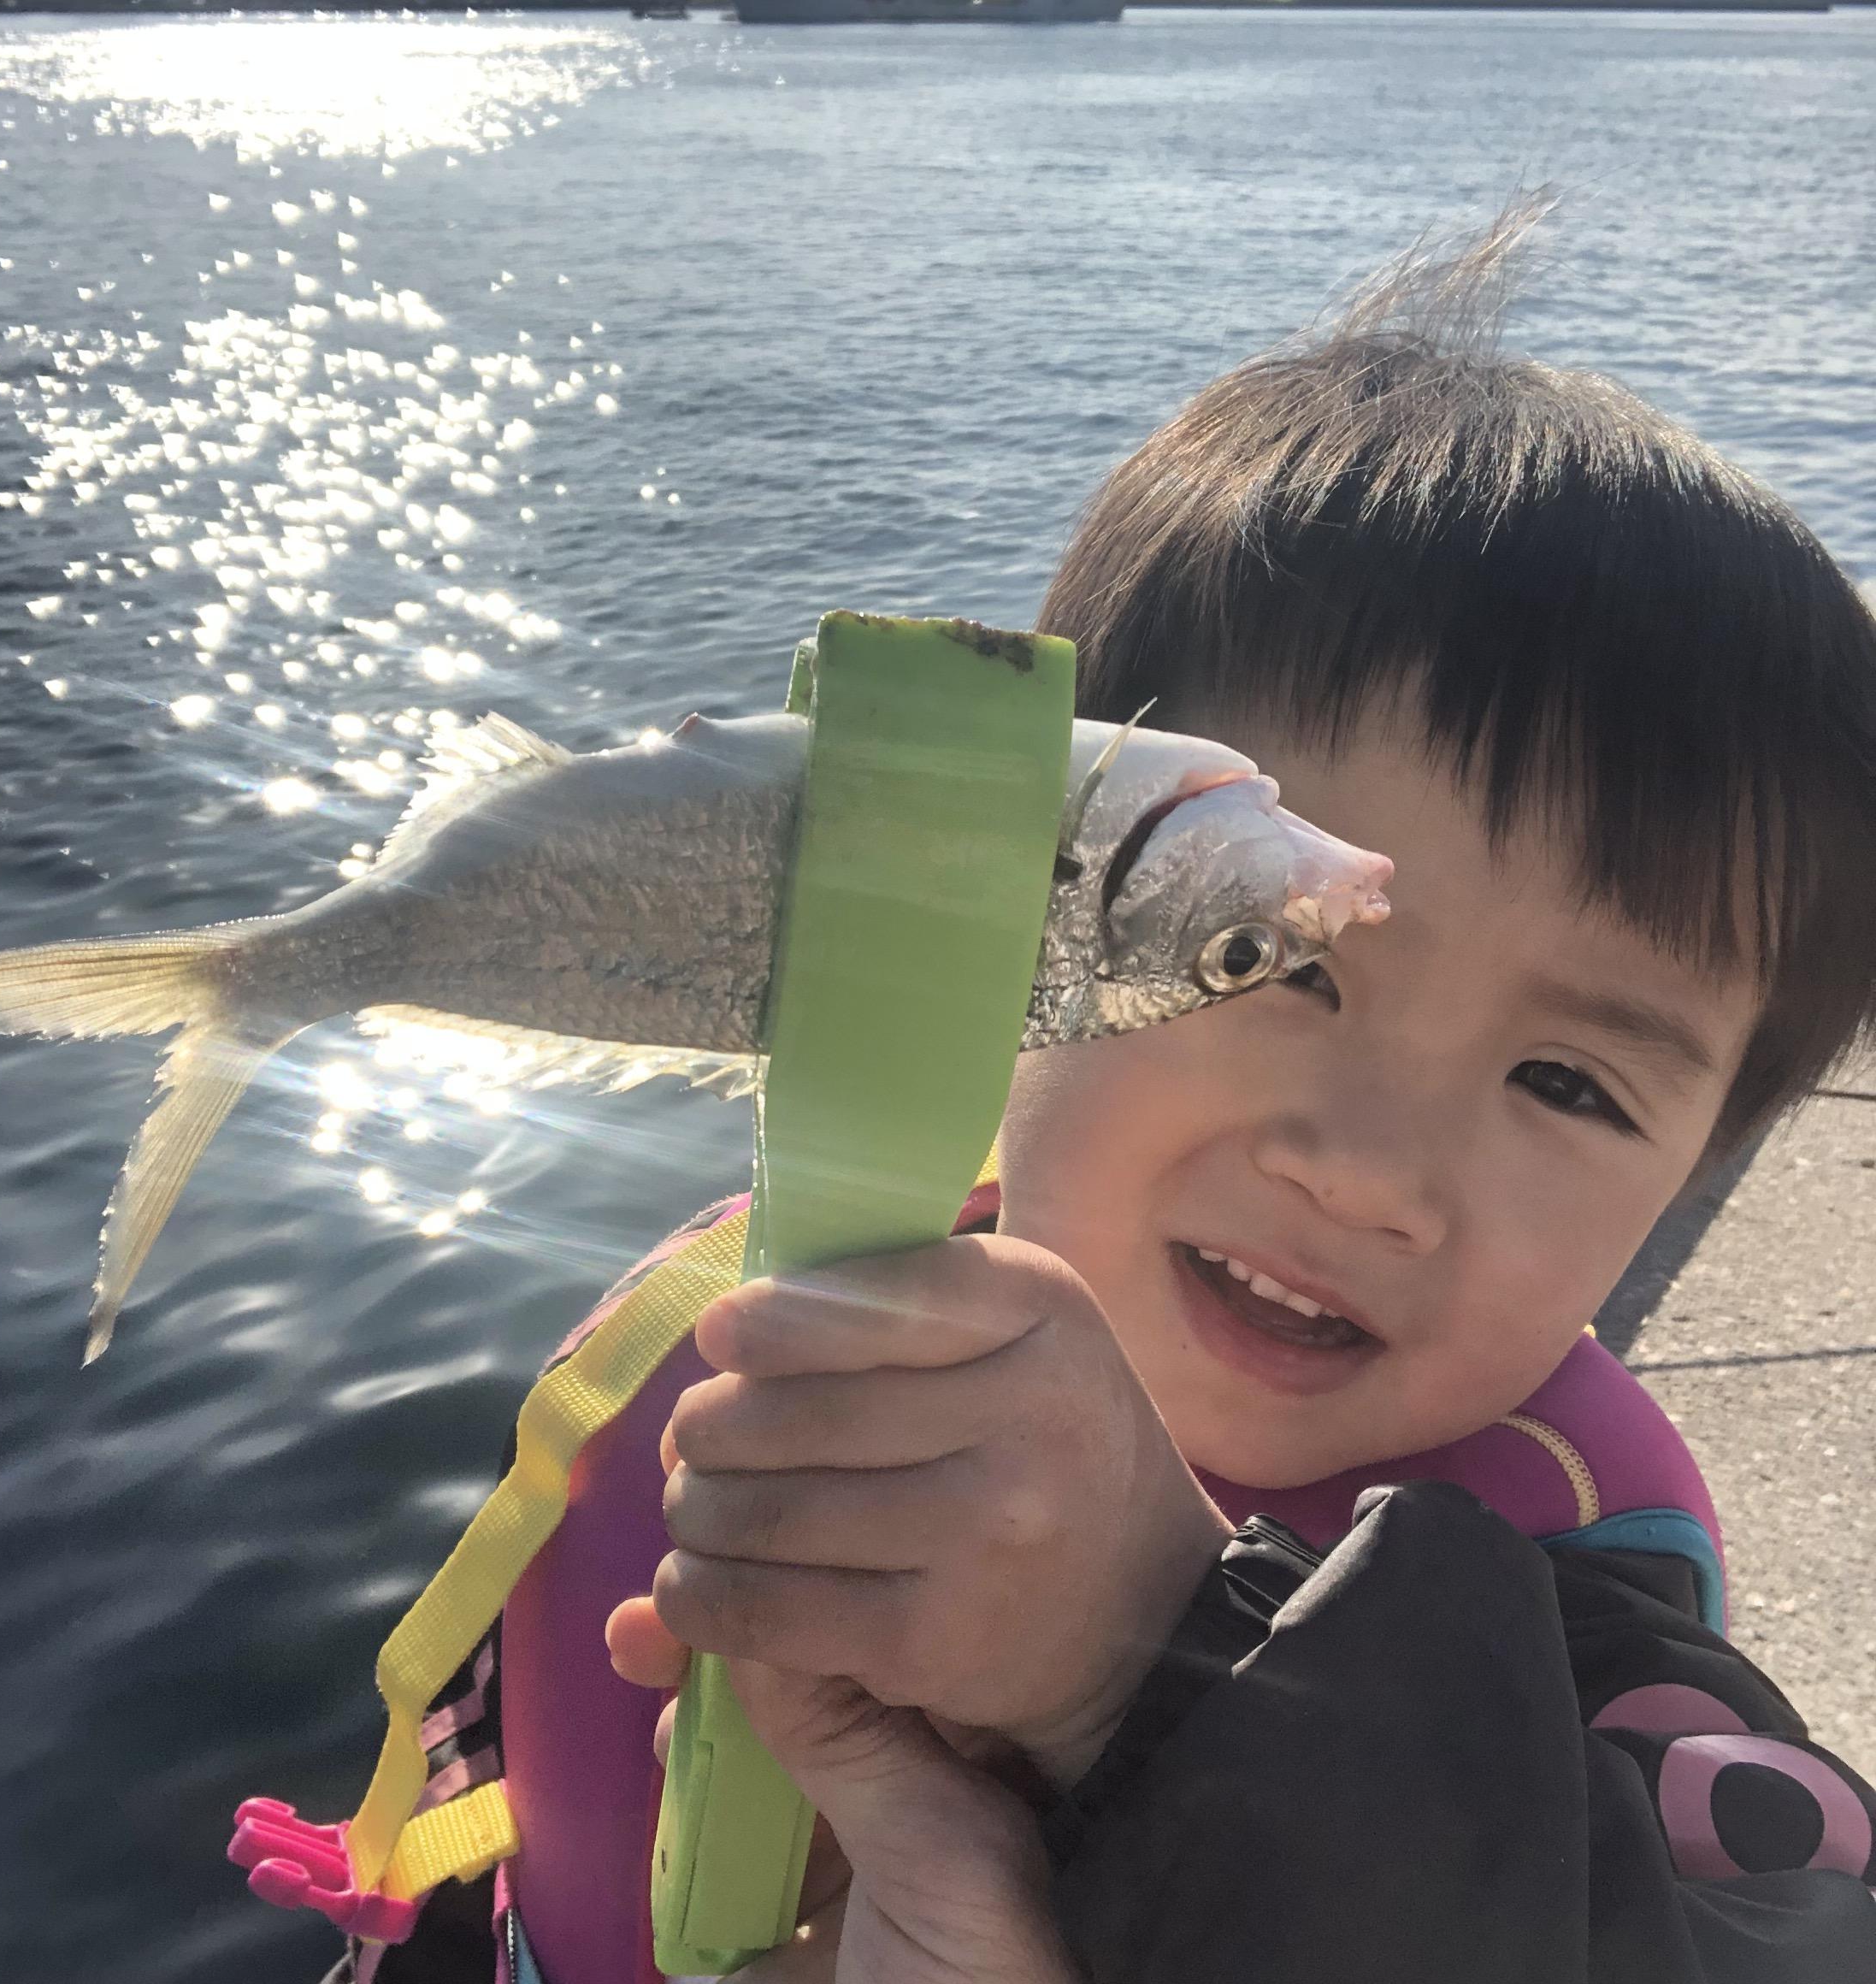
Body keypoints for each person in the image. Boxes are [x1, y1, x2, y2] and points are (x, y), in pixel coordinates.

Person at [598, 210, 1876, 1981]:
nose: (1367, 1173)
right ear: (1009, 924)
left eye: (1567, 1081)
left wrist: (1151, 1653)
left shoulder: (1602, 1649)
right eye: (1273, 961)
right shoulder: (753, 1316)